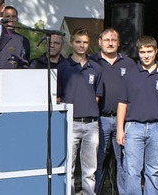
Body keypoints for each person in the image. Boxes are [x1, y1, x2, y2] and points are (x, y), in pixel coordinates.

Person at [117, 35, 158, 195]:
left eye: (149, 51)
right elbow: (122, 103)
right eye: (142, 51)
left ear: (156, 51)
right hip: (134, 127)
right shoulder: (129, 74)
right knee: (132, 171)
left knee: (154, 171)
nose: (146, 55)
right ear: (138, 52)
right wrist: (120, 129)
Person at [55, 28, 103, 195]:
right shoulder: (62, 68)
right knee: (69, 166)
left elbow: (97, 96)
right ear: (71, 43)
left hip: (91, 124)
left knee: (90, 169)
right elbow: (58, 97)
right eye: (78, 42)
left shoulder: (96, 68)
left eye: (85, 42)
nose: (82, 45)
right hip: (70, 123)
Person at [88, 28, 135, 194]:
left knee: (124, 162)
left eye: (113, 40)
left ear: (118, 42)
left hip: (124, 121)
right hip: (100, 119)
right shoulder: (91, 61)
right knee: (96, 161)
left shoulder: (129, 64)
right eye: (106, 40)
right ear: (100, 42)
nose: (110, 43)